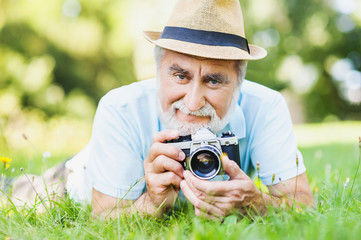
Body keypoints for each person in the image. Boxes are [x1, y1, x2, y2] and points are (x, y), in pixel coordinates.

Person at [6, 0, 314, 219]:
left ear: (239, 83)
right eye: (180, 76)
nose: (193, 103)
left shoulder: (267, 107)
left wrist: (256, 202)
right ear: (158, 70)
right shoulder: (121, 108)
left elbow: (304, 208)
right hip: (82, 176)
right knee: (21, 192)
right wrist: (151, 203)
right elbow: (103, 218)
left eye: (214, 81)